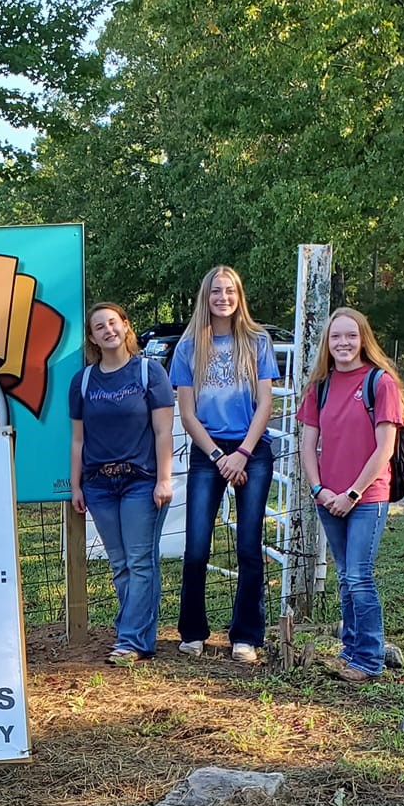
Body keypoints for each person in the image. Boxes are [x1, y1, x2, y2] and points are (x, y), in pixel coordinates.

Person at [297, 306, 404, 684]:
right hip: (328, 497)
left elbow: (384, 448)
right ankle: (350, 649)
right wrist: (319, 489)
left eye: (351, 335)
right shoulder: (321, 386)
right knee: (345, 576)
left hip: (367, 496)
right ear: (327, 344)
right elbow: (307, 442)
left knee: (360, 576)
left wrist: (352, 492)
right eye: (336, 337)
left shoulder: (381, 384)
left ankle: (369, 658)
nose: (343, 343)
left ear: (363, 339)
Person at [170, 266, 280, 664]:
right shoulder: (188, 348)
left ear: (239, 296)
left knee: (249, 546)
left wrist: (243, 454)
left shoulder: (257, 341)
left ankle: (246, 635)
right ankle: (193, 631)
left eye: (229, 290)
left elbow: (265, 404)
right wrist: (219, 456)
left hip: (251, 450)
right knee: (197, 546)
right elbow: (186, 413)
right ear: (206, 296)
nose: (223, 297)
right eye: (216, 291)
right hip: (208, 452)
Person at [69, 302, 175, 667]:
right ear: (92, 338)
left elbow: (163, 431)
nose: (108, 330)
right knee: (119, 564)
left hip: (139, 482)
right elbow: (78, 439)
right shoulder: (83, 381)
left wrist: (164, 479)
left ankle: (130, 639)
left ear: (125, 326)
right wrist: (76, 485)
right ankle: (139, 636)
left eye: (113, 323)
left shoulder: (150, 373)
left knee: (140, 561)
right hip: (98, 484)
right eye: (99, 326)